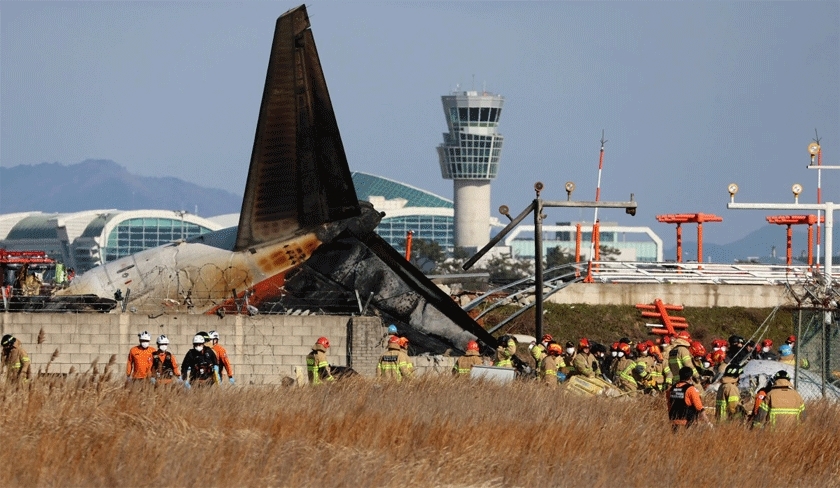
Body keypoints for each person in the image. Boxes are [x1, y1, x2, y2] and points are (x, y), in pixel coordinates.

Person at [667, 366, 708, 430]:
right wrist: (708, 422)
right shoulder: (690, 389)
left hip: (674, 422)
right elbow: (699, 407)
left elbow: (669, 405)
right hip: (687, 423)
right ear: (690, 377)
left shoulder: (671, 389)